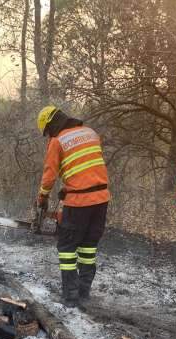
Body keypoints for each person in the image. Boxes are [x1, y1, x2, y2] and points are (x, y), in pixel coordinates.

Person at [36, 106, 110, 307]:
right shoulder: (90, 133)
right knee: (88, 247)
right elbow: (87, 167)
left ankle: (70, 297)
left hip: (79, 203)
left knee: (67, 248)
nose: (48, 136)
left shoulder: (58, 140)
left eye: (47, 132)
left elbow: (49, 175)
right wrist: (67, 189)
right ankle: (84, 293)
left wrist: (42, 197)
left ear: (51, 125)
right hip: (101, 199)